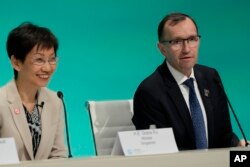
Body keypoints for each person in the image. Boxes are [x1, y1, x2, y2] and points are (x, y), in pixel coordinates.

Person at [132, 12, 245, 150]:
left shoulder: (211, 77)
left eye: (192, 39)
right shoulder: (150, 92)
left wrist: (239, 147)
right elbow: (157, 153)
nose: (186, 49)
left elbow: (224, 136)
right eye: (177, 42)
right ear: (162, 49)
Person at [0, 23, 67, 160]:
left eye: (52, 59)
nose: (48, 68)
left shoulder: (55, 100)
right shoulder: (1, 102)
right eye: (39, 60)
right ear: (16, 63)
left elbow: (58, 154)